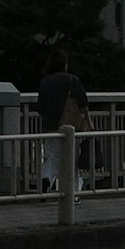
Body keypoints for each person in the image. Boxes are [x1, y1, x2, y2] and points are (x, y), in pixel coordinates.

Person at [36, 48, 90, 199]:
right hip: (70, 127)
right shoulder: (72, 80)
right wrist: (89, 122)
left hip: (50, 126)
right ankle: (72, 195)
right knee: (71, 162)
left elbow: (40, 107)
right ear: (65, 64)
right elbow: (83, 103)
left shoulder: (45, 82)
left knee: (51, 157)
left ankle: (45, 178)